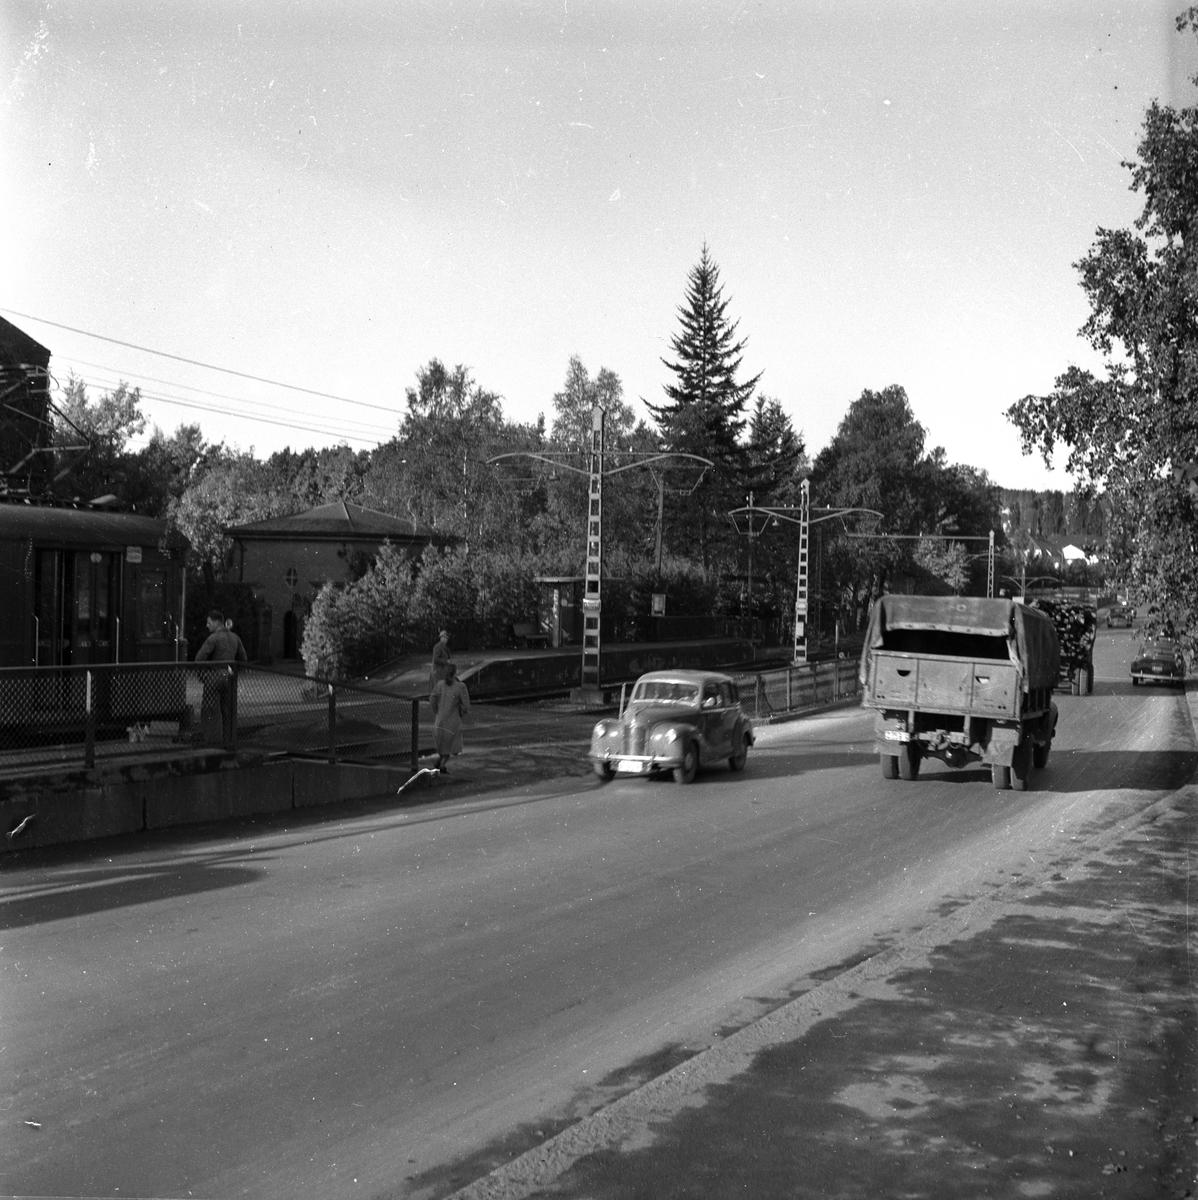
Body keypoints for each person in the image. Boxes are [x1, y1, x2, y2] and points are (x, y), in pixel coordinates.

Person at [194, 609, 248, 743]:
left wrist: (203, 676)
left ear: (217, 622)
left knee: (210, 711)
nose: (207, 625)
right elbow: (243, 658)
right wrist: (233, 672)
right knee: (228, 712)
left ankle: (213, 742)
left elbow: (199, 658)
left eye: (209, 622)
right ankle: (228, 741)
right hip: (229, 678)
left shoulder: (213, 638)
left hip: (214, 677)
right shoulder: (235, 638)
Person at [429, 660, 469, 772]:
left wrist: (437, 711)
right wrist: (460, 713)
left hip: (440, 720)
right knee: (450, 744)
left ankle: (439, 762)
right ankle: (442, 765)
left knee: (443, 744)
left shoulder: (440, 685)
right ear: (455, 673)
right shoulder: (460, 687)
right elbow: (465, 705)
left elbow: (432, 699)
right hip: (453, 720)